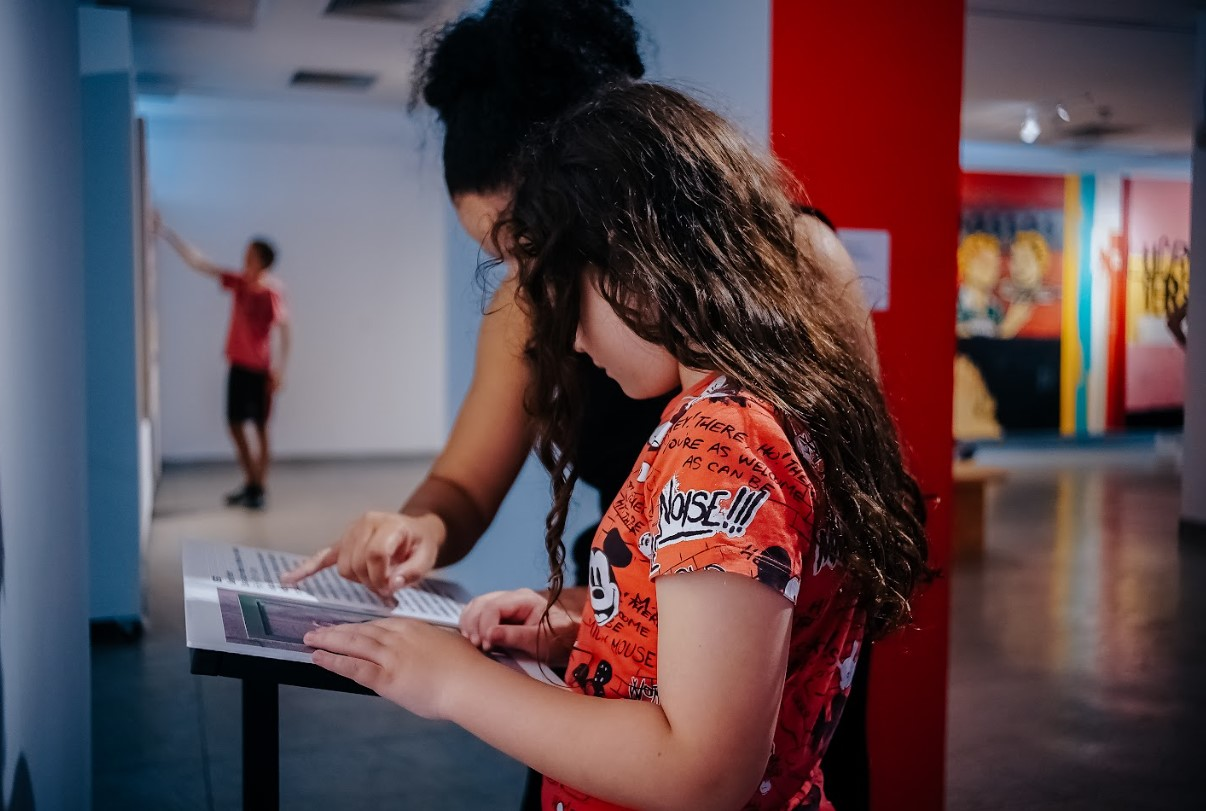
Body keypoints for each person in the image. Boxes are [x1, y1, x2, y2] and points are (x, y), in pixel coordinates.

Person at [282, 2, 878, 807]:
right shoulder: (697, 401)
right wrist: (593, 609)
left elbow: (707, 759)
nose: (535, 301)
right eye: (508, 259)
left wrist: (460, 681)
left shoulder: (729, 432)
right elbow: (466, 484)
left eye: (538, 255)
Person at [155, 218, 290, 509]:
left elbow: (284, 330)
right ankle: (252, 483)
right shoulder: (239, 283)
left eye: (250, 255)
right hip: (238, 366)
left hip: (260, 370)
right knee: (235, 425)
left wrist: (280, 369)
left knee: (261, 428)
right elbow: (201, 264)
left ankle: (259, 488)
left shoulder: (271, 293)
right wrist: (168, 234)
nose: (245, 258)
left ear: (262, 262)